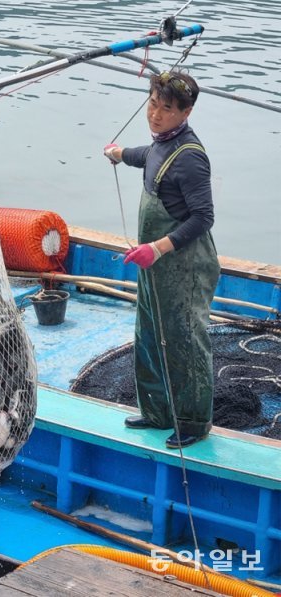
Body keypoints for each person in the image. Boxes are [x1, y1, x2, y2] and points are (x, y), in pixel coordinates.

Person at [103, 70, 220, 449]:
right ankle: (156, 411)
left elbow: (203, 218)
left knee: (183, 340)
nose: (155, 114)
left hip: (184, 266)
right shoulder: (161, 142)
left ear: (185, 113)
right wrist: (120, 154)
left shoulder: (190, 158)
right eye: (152, 104)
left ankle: (193, 422)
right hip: (156, 268)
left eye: (166, 109)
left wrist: (156, 248)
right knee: (150, 333)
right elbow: (148, 156)